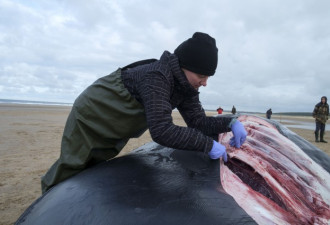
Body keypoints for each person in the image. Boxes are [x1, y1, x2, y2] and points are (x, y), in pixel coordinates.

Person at [41, 32, 247, 193]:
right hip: (94, 112)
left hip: (119, 123)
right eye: (202, 75)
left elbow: (198, 122)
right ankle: (43, 212)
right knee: (73, 164)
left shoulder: (187, 88)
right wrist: (206, 144)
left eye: (208, 77)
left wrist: (230, 122)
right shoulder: (157, 76)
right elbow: (161, 130)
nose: (205, 83)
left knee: (94, 164)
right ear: (185, 66)